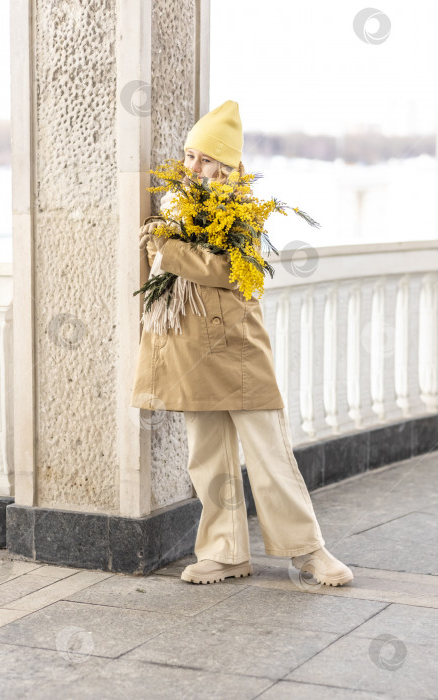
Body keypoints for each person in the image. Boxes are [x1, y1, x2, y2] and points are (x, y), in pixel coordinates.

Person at [130, 100, 353, 588]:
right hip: (191, 349)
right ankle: (223, 552)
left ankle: (308, 551)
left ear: (229, 167)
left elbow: (231, 271)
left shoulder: (245, 214)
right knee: (206, 456)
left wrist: (169, 251)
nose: (195, 168)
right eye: (191, 156)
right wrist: (167, 247)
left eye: (207, 160)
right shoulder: (173, 208)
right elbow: (179, 264)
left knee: (271, 453)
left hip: (239, 348)